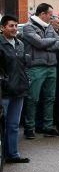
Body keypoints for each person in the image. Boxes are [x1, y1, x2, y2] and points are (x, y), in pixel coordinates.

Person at [21, 3, 59, 138]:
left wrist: (45, 44)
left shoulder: (49, 26)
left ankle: (47, 126)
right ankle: (29, 128)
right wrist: (47, 42)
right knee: (33, 98)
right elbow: (38, 43)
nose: (51, 18)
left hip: (51, 66)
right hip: (35, 67)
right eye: (50, 15)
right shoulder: (28, 27)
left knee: (50, 98)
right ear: (42, 14)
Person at [1, 15, 30, 163]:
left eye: (15, 26)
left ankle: (13, 154)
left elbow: (23, 66)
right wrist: (4, 82)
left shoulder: (20, 44)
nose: (14, 29)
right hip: (4, 92)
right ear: (2, 28)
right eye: (11, 26)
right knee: (2, 125)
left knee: (13, 125)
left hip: (19, 90)